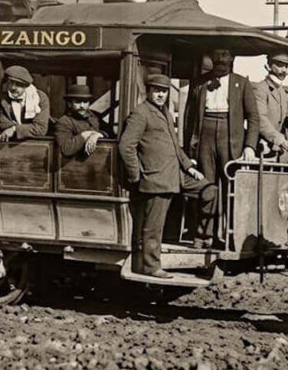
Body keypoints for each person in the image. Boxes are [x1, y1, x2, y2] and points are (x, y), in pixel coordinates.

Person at [119, 74, 217, 277]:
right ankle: (150, 266)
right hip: (156, 178)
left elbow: (175, 146)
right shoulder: (141, 113)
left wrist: (189, 167)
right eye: (157, 90)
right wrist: (136, 176)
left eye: (164, 91)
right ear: (149, 91)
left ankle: (201, 236)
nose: (161, 94)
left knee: (210, 191)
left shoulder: (165, 113)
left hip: (176, 174)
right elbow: (126, 146)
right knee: (153, 227)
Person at [183, 48, 259, 247]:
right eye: (217, 59)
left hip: (231, 136)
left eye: (225, 59)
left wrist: (249, 146)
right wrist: (188, 151)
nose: (220, 63)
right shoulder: (199, 82)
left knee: (232, 187)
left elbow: (253, 118)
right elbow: (189, 119)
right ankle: (203, 234)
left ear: (232, 60)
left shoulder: (242, 83)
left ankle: (232, 237)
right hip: (204, 134)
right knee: (206, 185)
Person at [251, 53, 288, 161]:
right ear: (268, 66)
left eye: (286, 66)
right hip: (263, 150)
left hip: (279, 151)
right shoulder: (260, 89)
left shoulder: (282, 91)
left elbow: (281, 122)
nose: (285, 71)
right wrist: (279, 140)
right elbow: (260, 119)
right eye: (280, 65)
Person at [0, 65, 51, 140]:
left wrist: (14, 129)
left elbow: (40, 128)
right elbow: (2, 123)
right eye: (11, 83)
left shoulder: (40, 98)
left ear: (26, 86)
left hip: (37, 144)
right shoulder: (4, 98)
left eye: (18, 84)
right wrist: (27, 128)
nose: (13, 87)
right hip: (10, 142)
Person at [54, 84, 106, 157]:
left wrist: (97, 135)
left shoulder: (95, 117)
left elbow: (109, 133)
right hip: (75, 165)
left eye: (85, 102)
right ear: (69, 104)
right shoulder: (64, 122)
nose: (82, 105)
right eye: (78, 102)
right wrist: (86, 135)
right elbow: (66, 149)